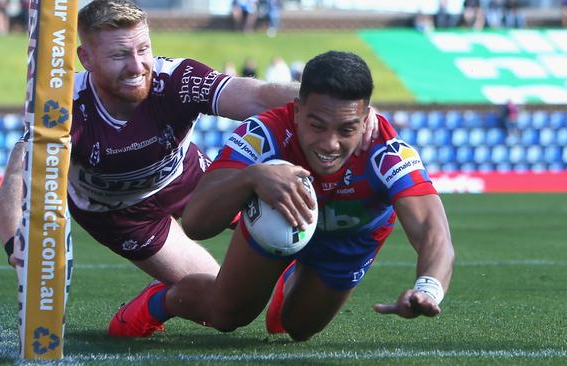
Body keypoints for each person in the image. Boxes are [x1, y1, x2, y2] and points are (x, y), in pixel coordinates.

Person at [0, 0, 378, 306]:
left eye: (143, 49)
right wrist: (17, 245)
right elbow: (18, 176)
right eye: (119, 56)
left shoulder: (176, 79)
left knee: (295, 227)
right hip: (119, 213)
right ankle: (156, 303)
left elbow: (257, 96)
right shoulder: (63, 105)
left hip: (185, 176)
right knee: (221, 297)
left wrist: (341, 105)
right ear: (86, 58)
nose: (136, 66)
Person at [108, 51, 455, 342]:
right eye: (317, 125)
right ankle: (159, 301)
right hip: (277, 222)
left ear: (365, 121)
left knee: (298, 329)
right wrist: (252, 177)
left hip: (349, 241)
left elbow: (432, 232)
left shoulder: (389, 153)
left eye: (347, 129)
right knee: (227, 315)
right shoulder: (266, 133)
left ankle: (289, 280)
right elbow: (198, 222)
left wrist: (428, 288)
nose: (330, 144)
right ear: (298, 109)